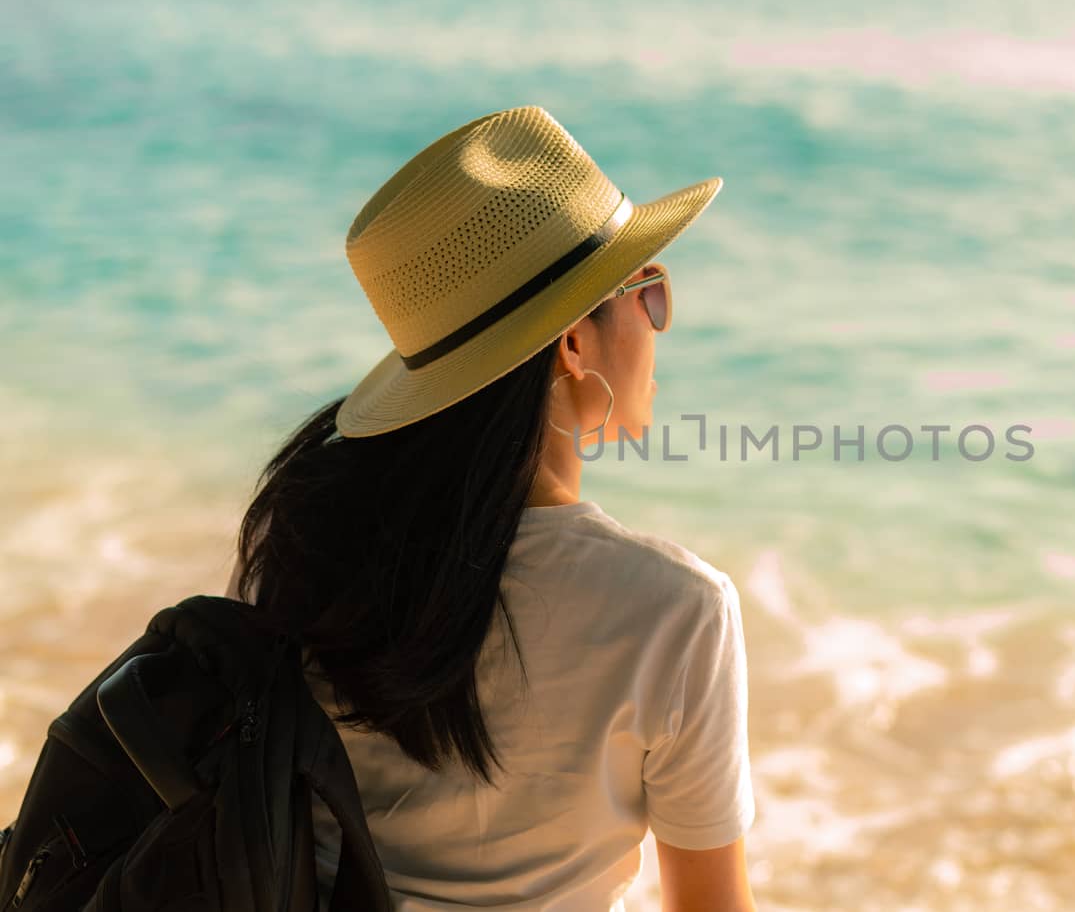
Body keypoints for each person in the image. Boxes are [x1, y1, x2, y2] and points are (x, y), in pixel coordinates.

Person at [222, 105, 758, 911]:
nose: (660, 325)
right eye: (648, 290)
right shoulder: (675, 610)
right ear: (574, 343)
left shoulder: (309, 537)